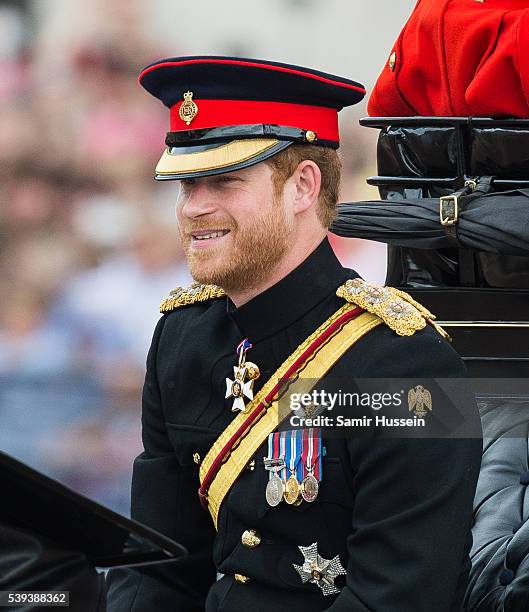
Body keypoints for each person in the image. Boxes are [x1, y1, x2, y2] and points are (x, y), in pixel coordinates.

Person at [106, 56, 482, 611]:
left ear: (304, 186)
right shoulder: (180, 338)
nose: (194, 208)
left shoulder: (407, 363)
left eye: (224, 181)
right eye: (186, 184)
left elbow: (397, 598)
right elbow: (159, 565)